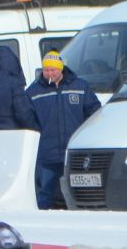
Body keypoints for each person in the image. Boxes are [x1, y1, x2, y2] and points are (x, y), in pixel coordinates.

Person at [26, 52, 101, 209]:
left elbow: (94, 112)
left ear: (61, 69)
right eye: (46, 70)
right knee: (45, 193)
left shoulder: (80, 86)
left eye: (53, 70)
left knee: (78, 191)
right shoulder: (34, 91)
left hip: (73, 153)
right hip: (46, 153)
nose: (49, 73)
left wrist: (84, 135)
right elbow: (27, 117)